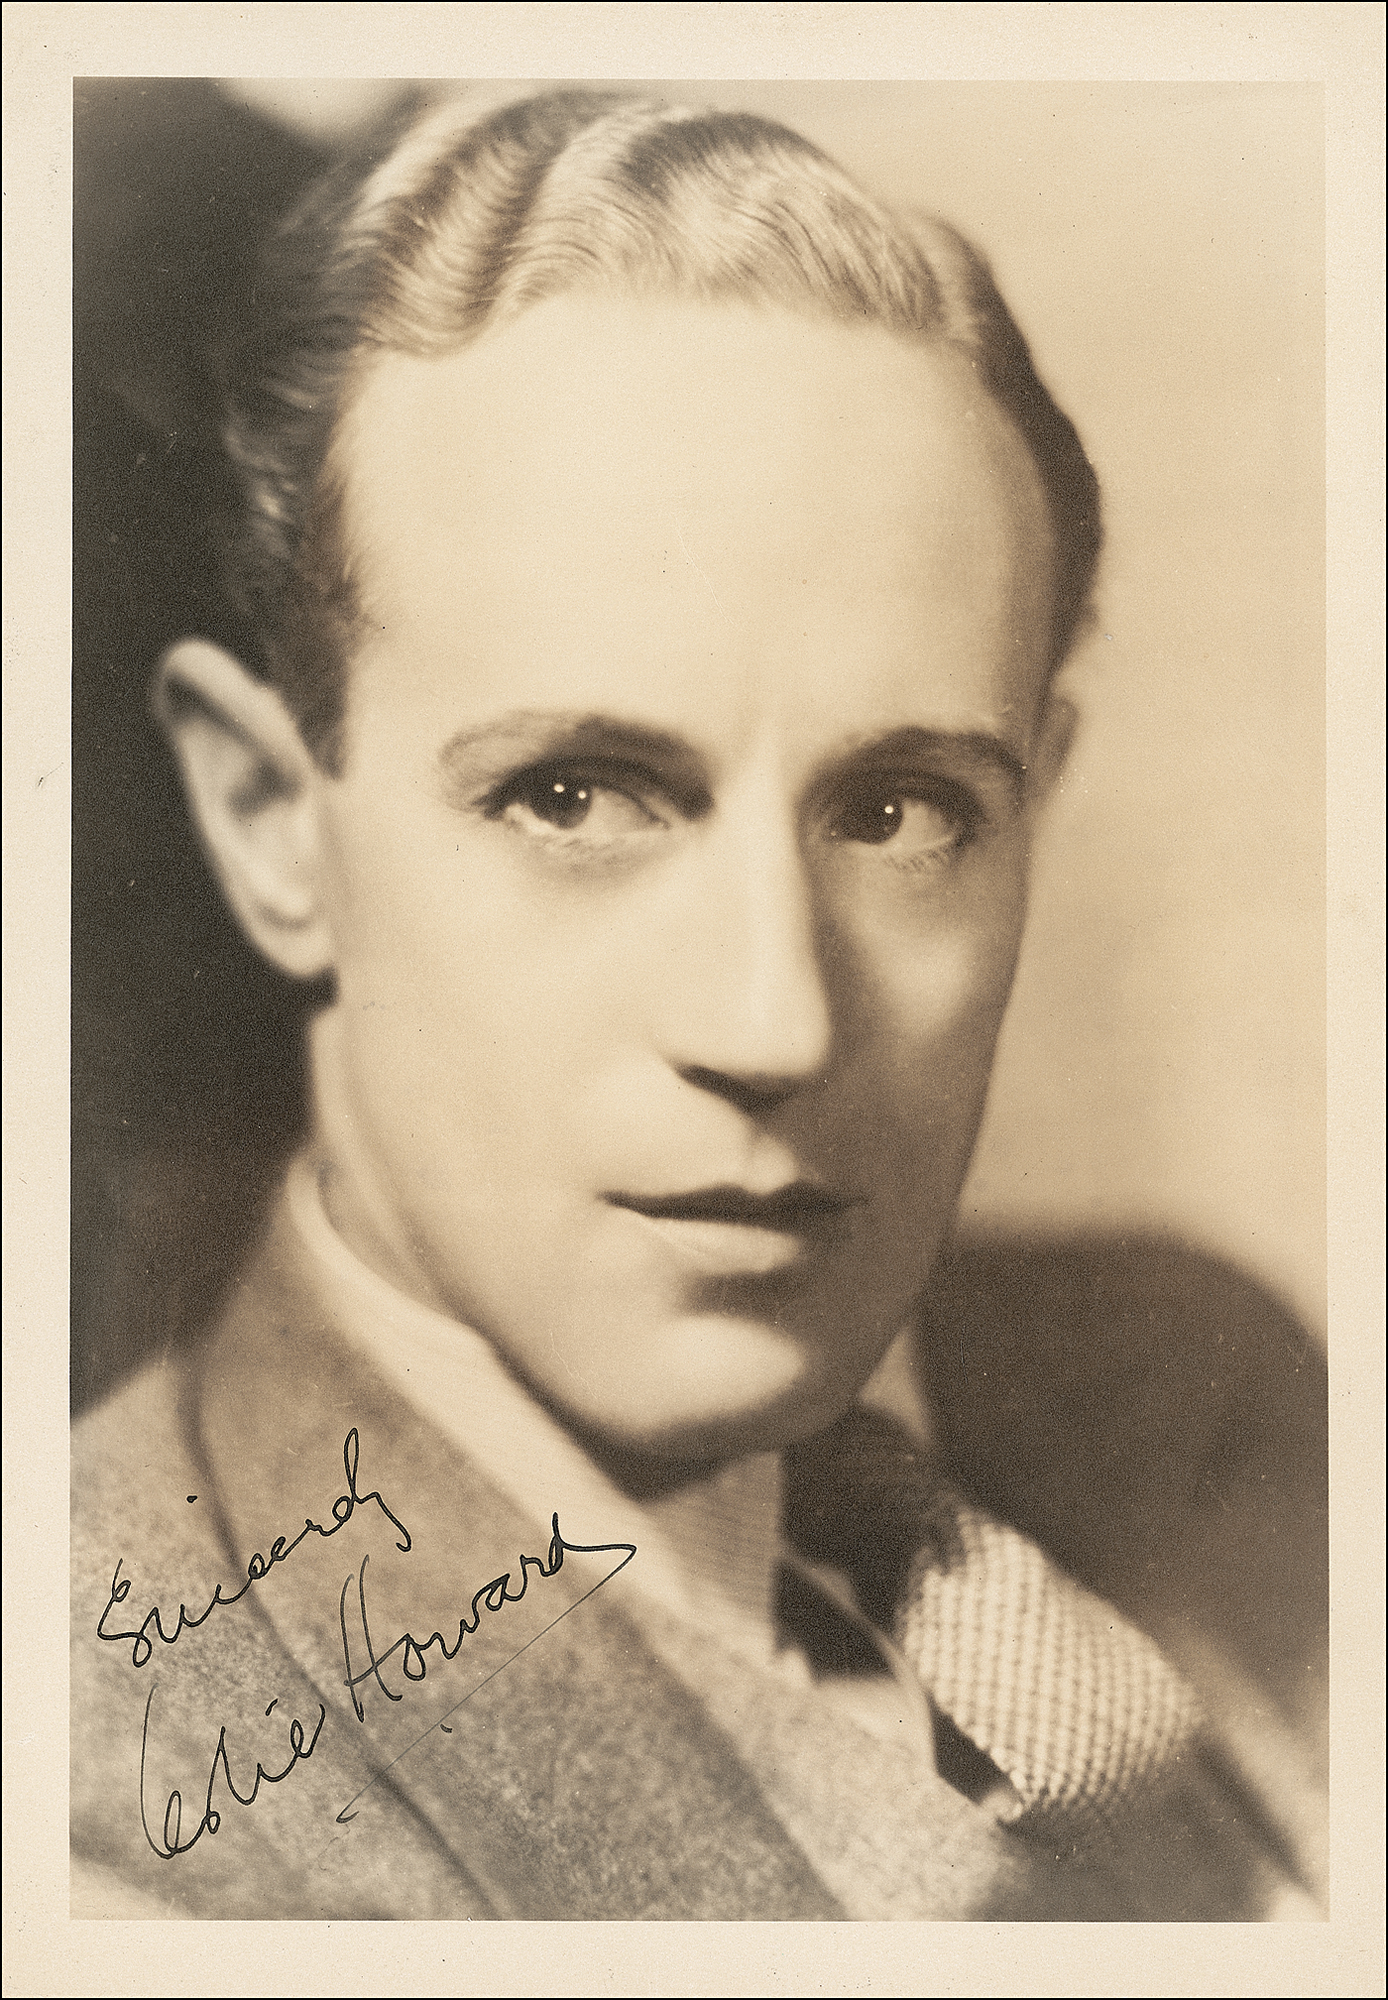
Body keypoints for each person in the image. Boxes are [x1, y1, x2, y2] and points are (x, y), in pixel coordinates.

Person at [69, 87, 1326, 1921]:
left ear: (1033, 806)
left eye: (901, 812)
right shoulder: (106, 1823)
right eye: (574, 796)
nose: (776, 1020)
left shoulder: (1210, 1388)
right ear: (272, 820)